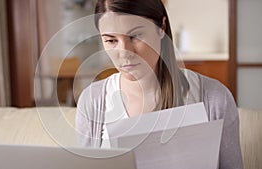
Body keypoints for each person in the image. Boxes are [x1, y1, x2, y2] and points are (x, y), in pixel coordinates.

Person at [75, 0, 243, 168]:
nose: (125, 54)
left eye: (135, 36)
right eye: (111, 41)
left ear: (161, 27)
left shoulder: (215, 99)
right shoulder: (92, 101)